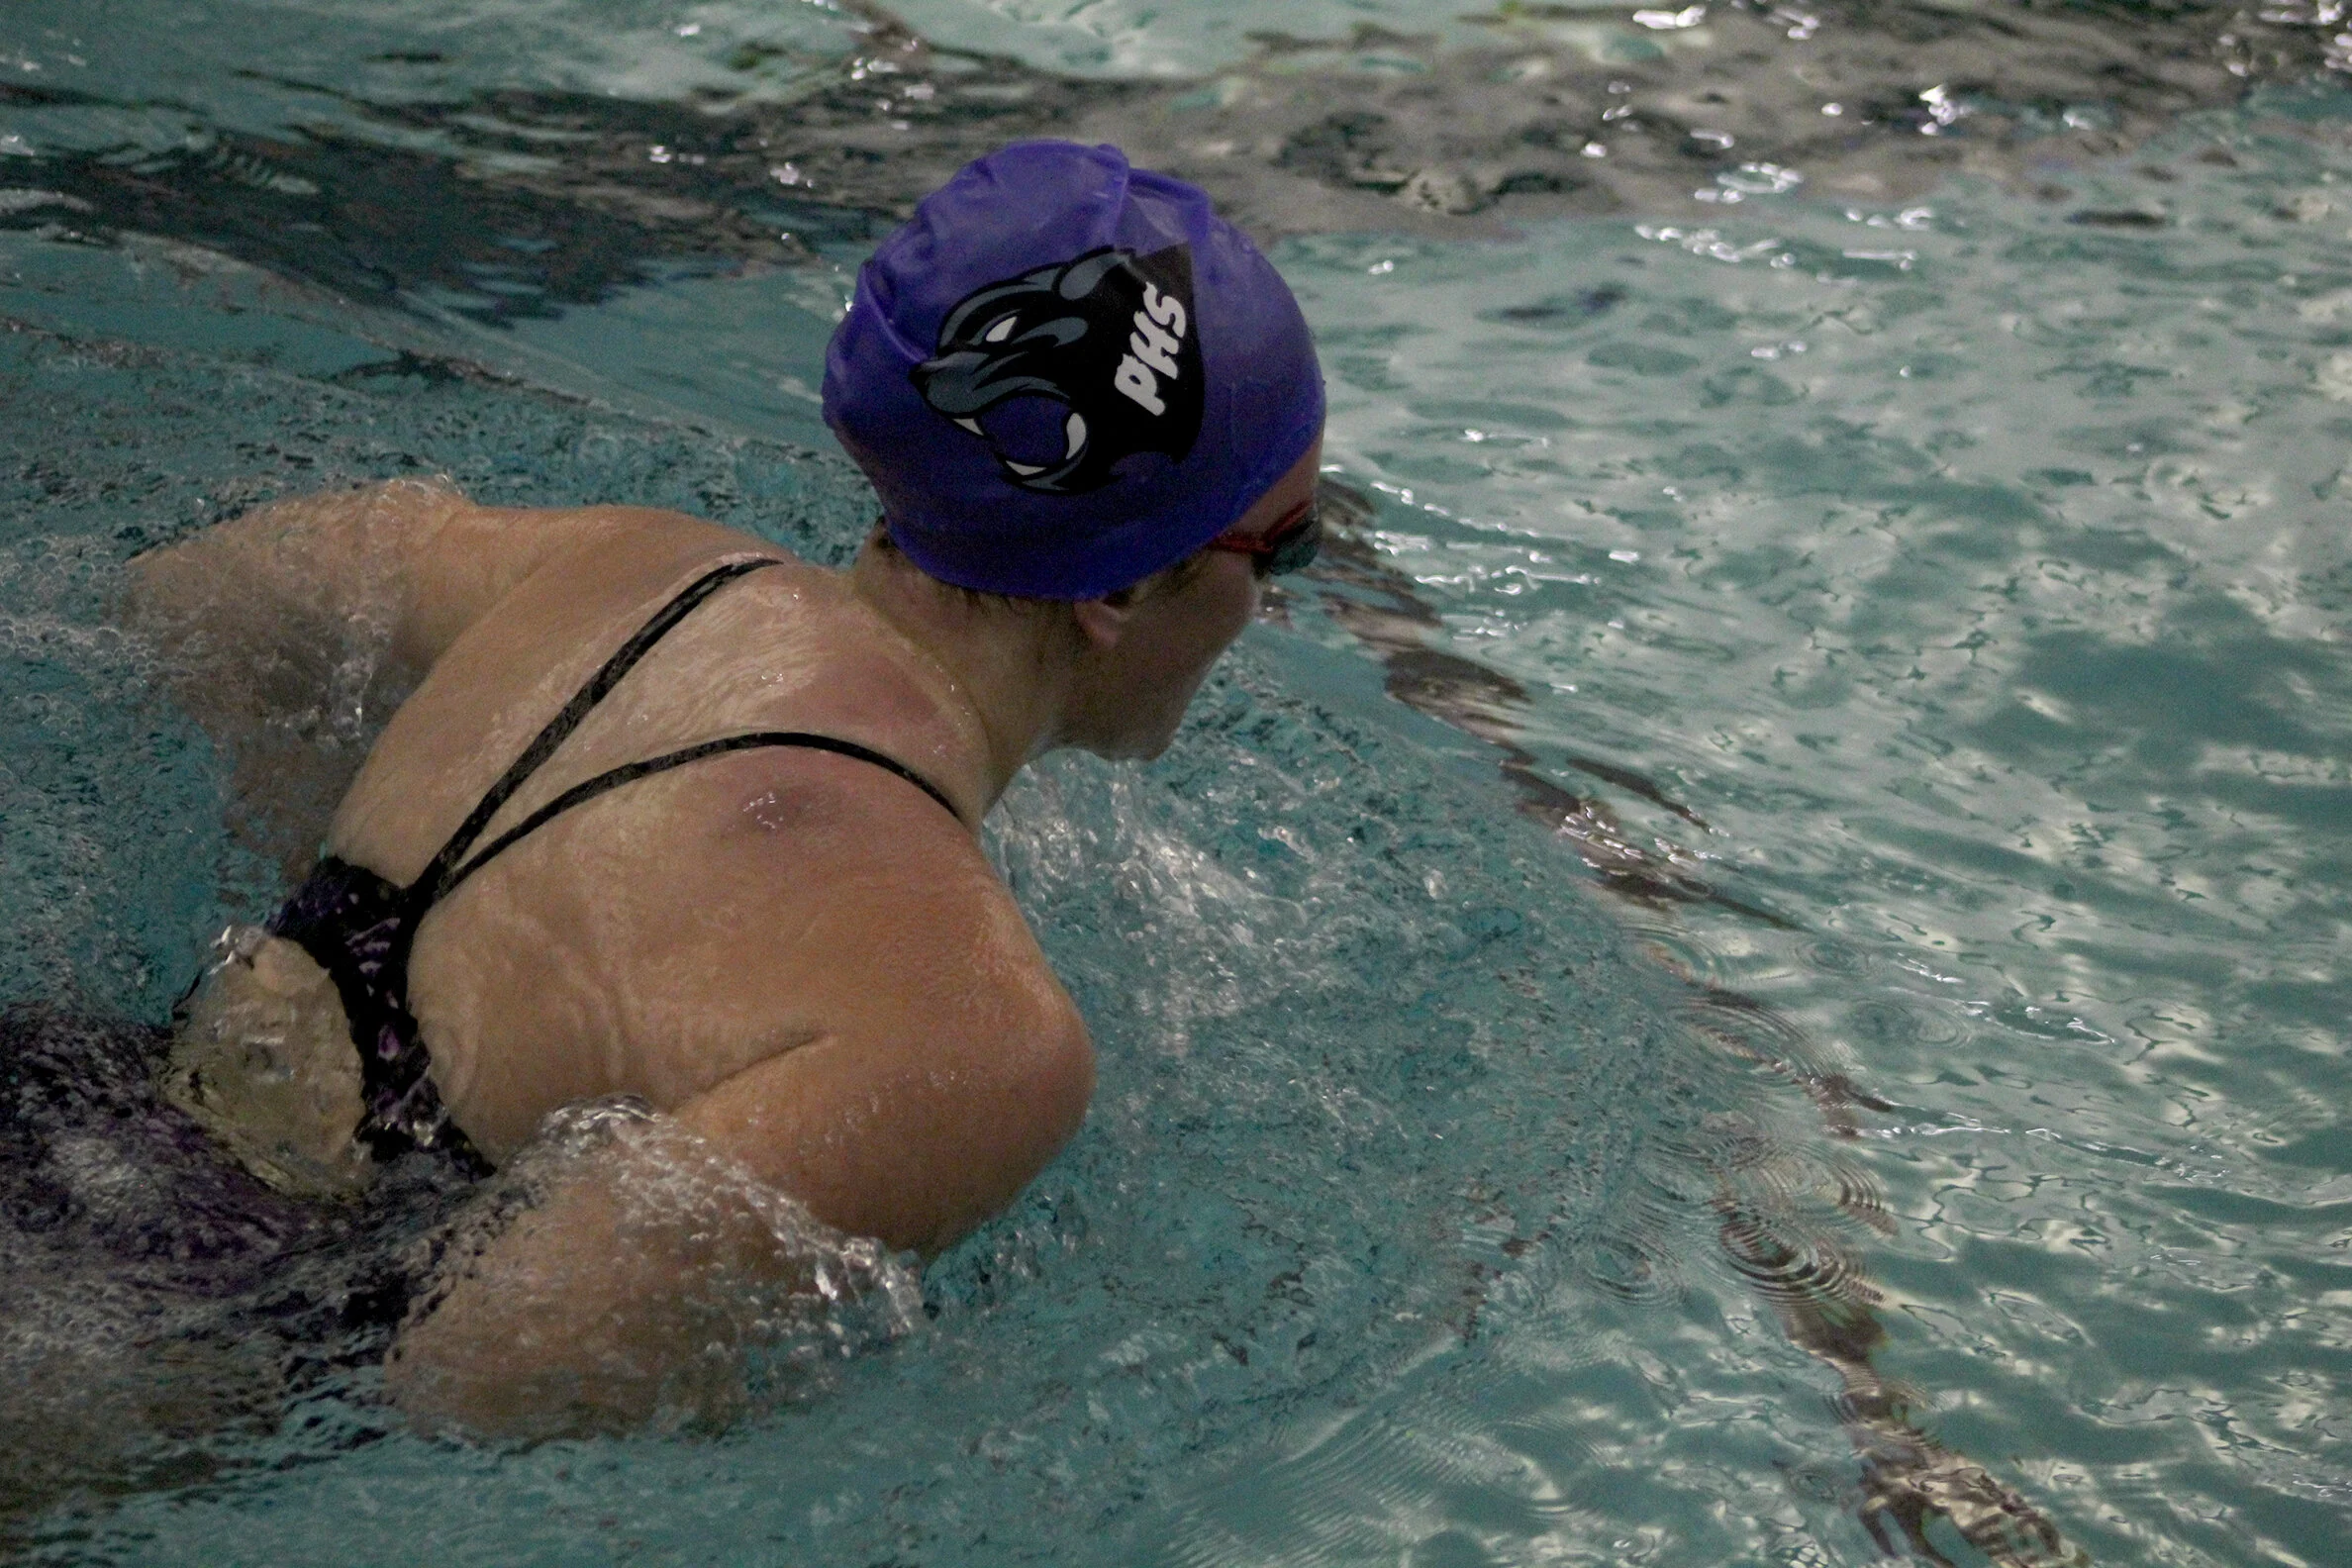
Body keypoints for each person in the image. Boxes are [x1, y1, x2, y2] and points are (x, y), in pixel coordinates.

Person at [125, 140, 1325, 1432]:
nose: (1269, 605)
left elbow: (195, 596)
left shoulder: (632, 569)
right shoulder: (977, 1033)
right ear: (1122, 583)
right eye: (1285, 548)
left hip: (91, 1110)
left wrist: (290, 867)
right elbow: (481, 1364)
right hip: (165, 1349)